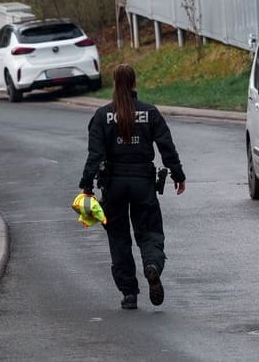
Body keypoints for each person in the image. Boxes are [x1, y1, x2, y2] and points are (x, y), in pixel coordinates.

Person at [79, 64, 186, 309]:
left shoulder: (101, 115)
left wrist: (87, 186)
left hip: (113, 184)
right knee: (149, 232)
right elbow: (166, 146)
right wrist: (178, 174)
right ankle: (152, 265)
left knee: (118, 238)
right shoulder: (150, 112)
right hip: (143, 184)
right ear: (134, 83)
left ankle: (129, 293)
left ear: (115, 84)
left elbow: (94, 155)